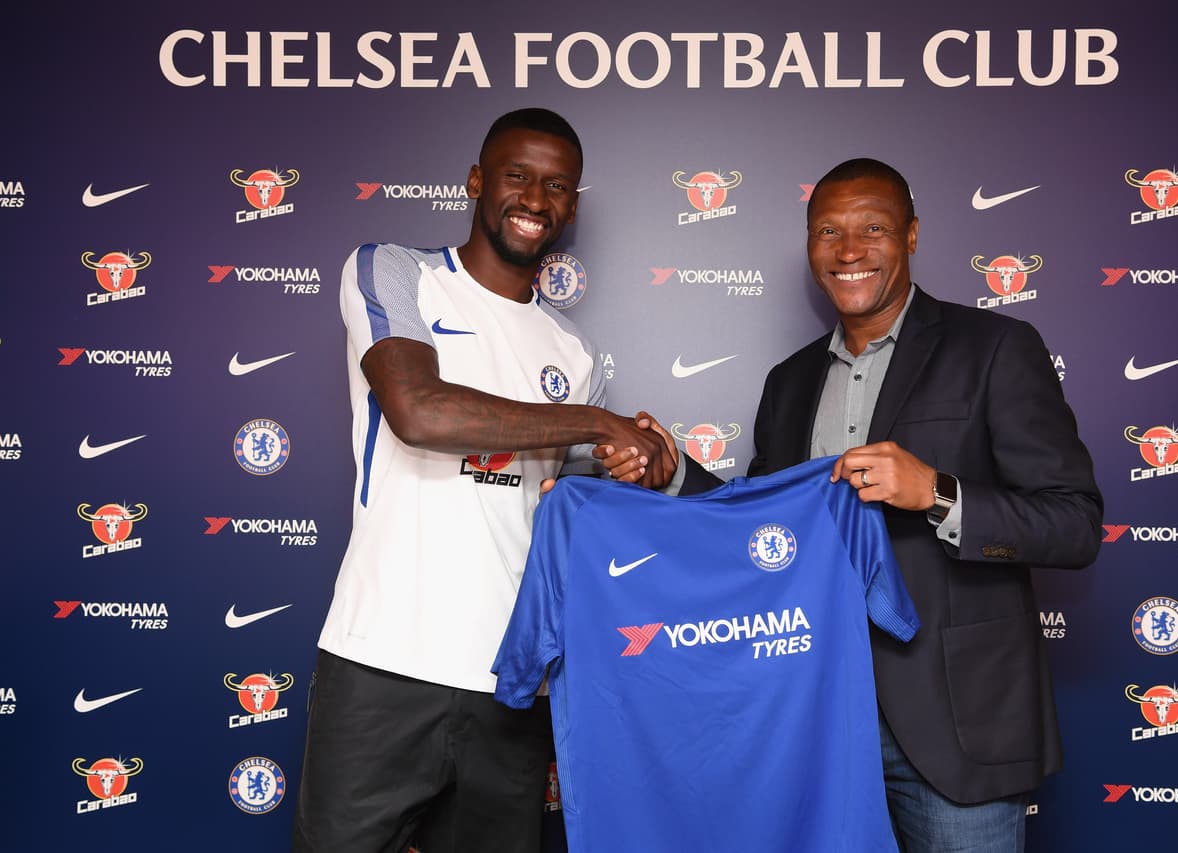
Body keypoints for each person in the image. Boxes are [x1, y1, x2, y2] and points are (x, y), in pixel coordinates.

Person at [608, 157, 1102, 851]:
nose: (848, 250)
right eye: (827, 231)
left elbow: (1075, 523)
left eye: (873, 227)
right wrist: (673, 473)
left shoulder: (994, 348)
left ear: (912, 235)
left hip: (955, 726)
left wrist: (937, 492)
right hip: (814, 720)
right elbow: (762, 528)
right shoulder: (791, 380)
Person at [292, 107, 674, 853]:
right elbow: (418, 411)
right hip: (382, 663)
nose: (536, 198)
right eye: (518, 175)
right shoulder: (393, 270)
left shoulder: (574, 348)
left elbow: (564, 505)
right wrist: (599, 427)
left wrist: (640, 465)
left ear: (573, 205)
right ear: (476, 181)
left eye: (558, 185)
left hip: (511, 678)